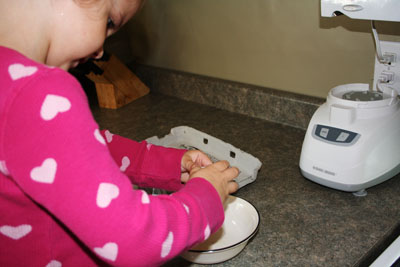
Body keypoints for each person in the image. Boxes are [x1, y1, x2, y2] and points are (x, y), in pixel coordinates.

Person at [0, 0, 239, 266]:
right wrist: (205, 198)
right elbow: (134, 238)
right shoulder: (40, 93)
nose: (100, 51)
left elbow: (83, 153)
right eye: (109, 22)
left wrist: (167, 165)